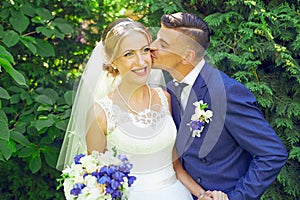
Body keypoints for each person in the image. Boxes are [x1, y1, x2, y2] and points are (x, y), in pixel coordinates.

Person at [56, 18, 228, 200]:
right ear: (113, 61)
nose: (141, 61)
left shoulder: (165, 98)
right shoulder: (100, 113)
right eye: (129, 54)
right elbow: (97, 179)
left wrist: (203, 194)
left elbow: (175, 166)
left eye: (145, 50)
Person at [151, 12, 288, 200]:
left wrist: (235, 197)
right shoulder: (168, 91)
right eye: (156, 38)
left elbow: (273, 153)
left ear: (187, 56)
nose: (152, 47)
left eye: (163, 44)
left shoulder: (227, 92)